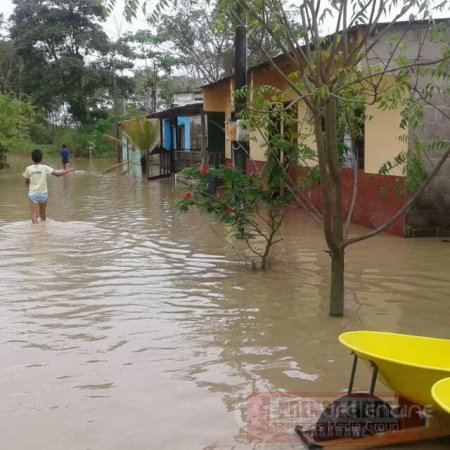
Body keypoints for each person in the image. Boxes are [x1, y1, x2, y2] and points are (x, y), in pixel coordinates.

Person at [23, 149, 75, 224]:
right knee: (43, 216)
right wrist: (68, 170)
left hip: (33, 193)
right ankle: (43, 231)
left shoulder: (28, 168)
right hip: (43, 193)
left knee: (34, 215)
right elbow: (57, 174)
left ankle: (35, 233)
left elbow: (27, 180)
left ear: (32, 158)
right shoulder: (44, 167)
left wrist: (27, 186)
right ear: (41, 158)